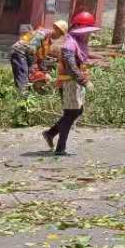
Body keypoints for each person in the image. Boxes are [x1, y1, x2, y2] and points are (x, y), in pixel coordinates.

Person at [43, 10, 97, 157]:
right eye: (86, 32)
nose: (88, 34)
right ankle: (60, 148)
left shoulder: (78, 43)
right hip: (69, 83)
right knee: (70, 113)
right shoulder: (69, 44)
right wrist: (85, 82)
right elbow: (71, 67)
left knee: (77, 111)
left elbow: (80, 62)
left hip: (75, 83)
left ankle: (50, 133)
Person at [9, 20, 66, 93]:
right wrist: (33, 67)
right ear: (55, 28)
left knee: (29, 78)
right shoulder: (42, 34)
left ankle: (25, 95)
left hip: (25, 53)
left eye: (61, 34)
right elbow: (31, 50)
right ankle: (22, 99)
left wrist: (44, 71)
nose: (59, 36)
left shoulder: (48, 41)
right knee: (23, 78)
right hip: (19, 52)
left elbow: (40, 57)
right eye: (60, 33)